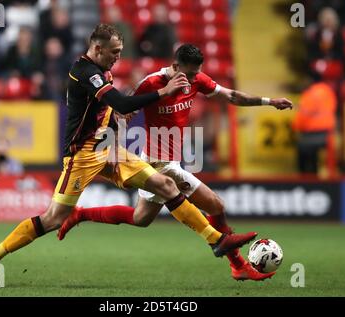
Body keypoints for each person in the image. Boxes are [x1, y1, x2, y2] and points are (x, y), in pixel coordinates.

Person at [0, 24, 257, 287]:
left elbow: (112, 107)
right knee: (53, 218)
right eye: (114, 52)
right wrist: (162, 92)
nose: (118, 58)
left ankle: (216, 241)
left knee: (166, 186)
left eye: (120, 52)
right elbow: (118, 101)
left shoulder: (102, 70)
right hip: (82, 155)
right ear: (97, 49)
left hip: (109, 149)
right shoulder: (85, 72)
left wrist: (117, 117)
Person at [58, 44, 293, 281]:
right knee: (216, 206)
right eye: (188, 74)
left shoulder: (197, 79)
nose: (192, 79)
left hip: (172, 161)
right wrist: (115, 146)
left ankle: (80, 214)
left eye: (195, 74)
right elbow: (121, 113)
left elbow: (231, 96)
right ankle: (238, 264)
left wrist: (269, 101)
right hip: (157, 163)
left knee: (141, 218)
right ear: (175, 66)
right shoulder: (151, 84)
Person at [292, 80, 337, 174]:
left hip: (312, 134)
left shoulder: (308, 96)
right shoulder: (327, 90)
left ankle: (308, 180)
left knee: (304, 153)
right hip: (328, 133)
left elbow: (302, 117)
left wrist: (295, 127)